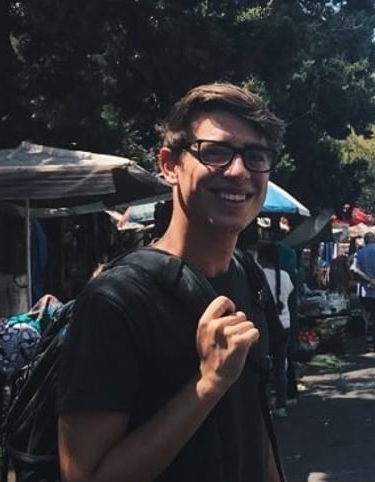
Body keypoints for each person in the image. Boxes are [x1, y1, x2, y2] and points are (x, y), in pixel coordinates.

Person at [55, 83, 285, 481]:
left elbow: (254, 427)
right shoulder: (117, 299)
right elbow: (84, 476)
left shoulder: (247, 277)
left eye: (256, 156)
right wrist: (208, 383)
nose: (239, 171)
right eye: (215, 152)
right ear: (169, 165)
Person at [258, 244, 295, 418]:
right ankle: (281, 406)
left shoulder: (260, 274)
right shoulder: (285, 276)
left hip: (267, 326)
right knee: (280, 367)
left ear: (263, 258)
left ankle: (266, 407)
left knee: (264, 367)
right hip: (285, 325)